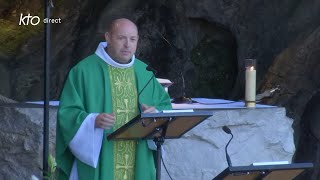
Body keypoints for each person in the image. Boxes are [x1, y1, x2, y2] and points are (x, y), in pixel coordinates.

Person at [56, 18, 172, 180]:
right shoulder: (83, 71)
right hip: (102, 154)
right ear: (108, 38)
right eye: (121, 38)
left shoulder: (144, 72)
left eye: (133, 39)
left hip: (138, 156)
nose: (127, 45)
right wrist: (92, 121)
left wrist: (156, 113)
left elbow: (165, 105)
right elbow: (67, 113)